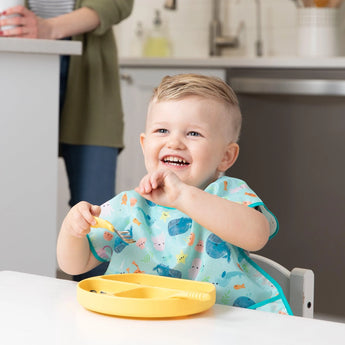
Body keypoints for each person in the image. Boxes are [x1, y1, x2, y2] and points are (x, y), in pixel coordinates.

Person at [56, 73, 292, 314]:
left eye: (193, 134)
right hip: (141, 322)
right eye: (162, 130)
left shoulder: (227, 194)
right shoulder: (129, 206)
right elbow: (75, 264)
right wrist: (72, 229)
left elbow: (256, 235)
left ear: (226, 156)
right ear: (144, 144)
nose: (175, 143)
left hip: (218, 323)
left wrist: (183, 196)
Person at [0, 0, 134, 279]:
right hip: (19, 64)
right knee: (18, 201)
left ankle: (97, 305)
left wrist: (48, 28)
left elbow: (118, 3)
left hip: (88, 73)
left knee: (97, 215)